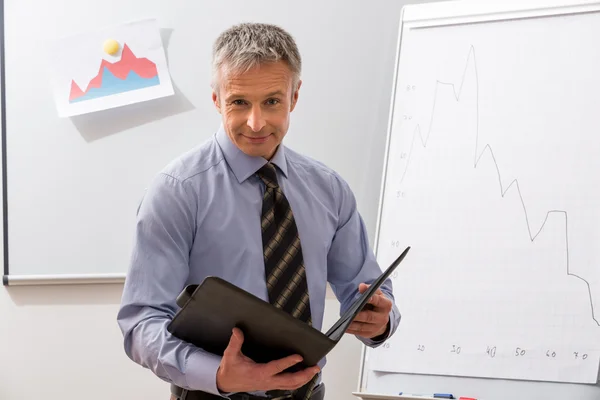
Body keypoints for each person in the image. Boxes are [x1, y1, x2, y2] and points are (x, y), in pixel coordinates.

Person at [117, 22, 400, 400]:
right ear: (217, 100)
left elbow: (365, 289)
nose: (256, 122)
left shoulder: (328, 189)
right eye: (239, 102)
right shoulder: (177, 191)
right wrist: (217, 373)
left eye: (271, 101)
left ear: (294, 97)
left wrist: (380, 320)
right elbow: (141, 321)